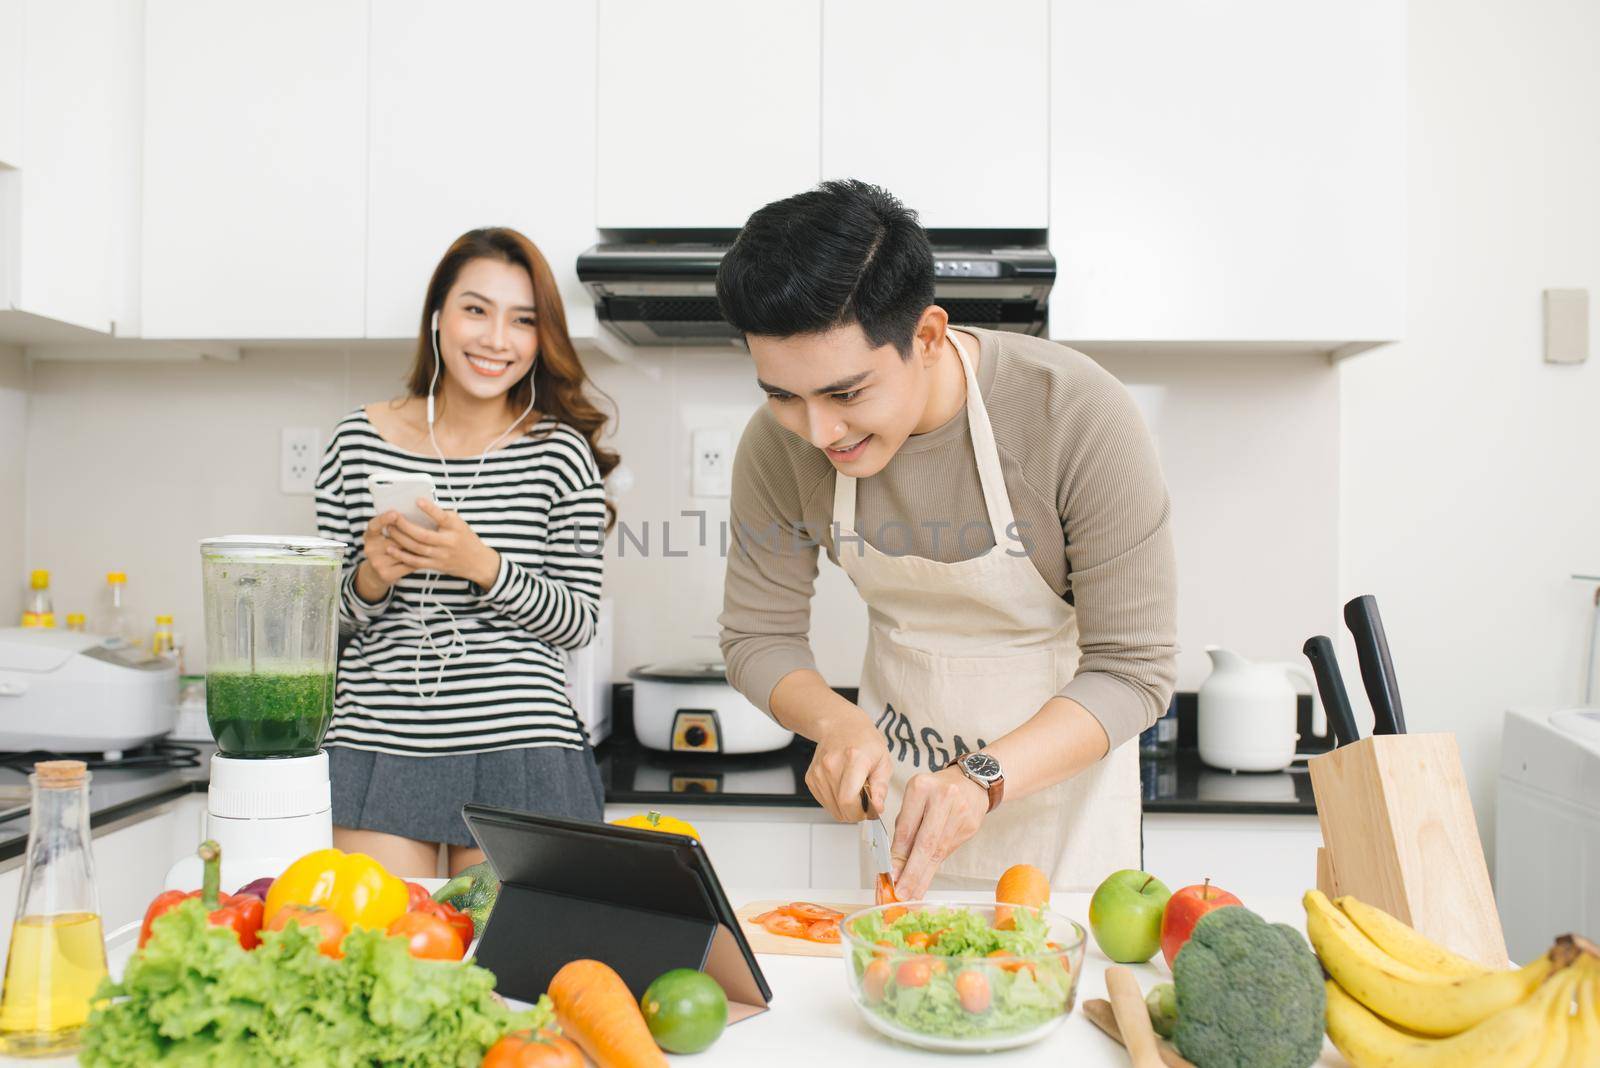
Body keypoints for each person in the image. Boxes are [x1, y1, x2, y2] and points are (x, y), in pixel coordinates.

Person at [716, 181, 1178, 899]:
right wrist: (835, 723)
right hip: (896, 821)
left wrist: (982, 778)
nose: (816, 432)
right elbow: (756, 636)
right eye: (781, 394)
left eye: (845, 394)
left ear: (926, 337)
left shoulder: (1077, 415)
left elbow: (1133, 671)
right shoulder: (778, 447)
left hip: (1062, 833)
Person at [314, 227, 617, 878]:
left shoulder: (560, 455)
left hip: (523, 751)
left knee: (510, 969)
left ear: (541, 339)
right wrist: (372, 578)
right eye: (476, 310)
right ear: (438, 318)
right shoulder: (356, 442)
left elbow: (579, 621)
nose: (495, 338)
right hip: (379, 742)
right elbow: (319, 625)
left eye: (523, 320)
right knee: (392, 965)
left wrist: (482, 566)